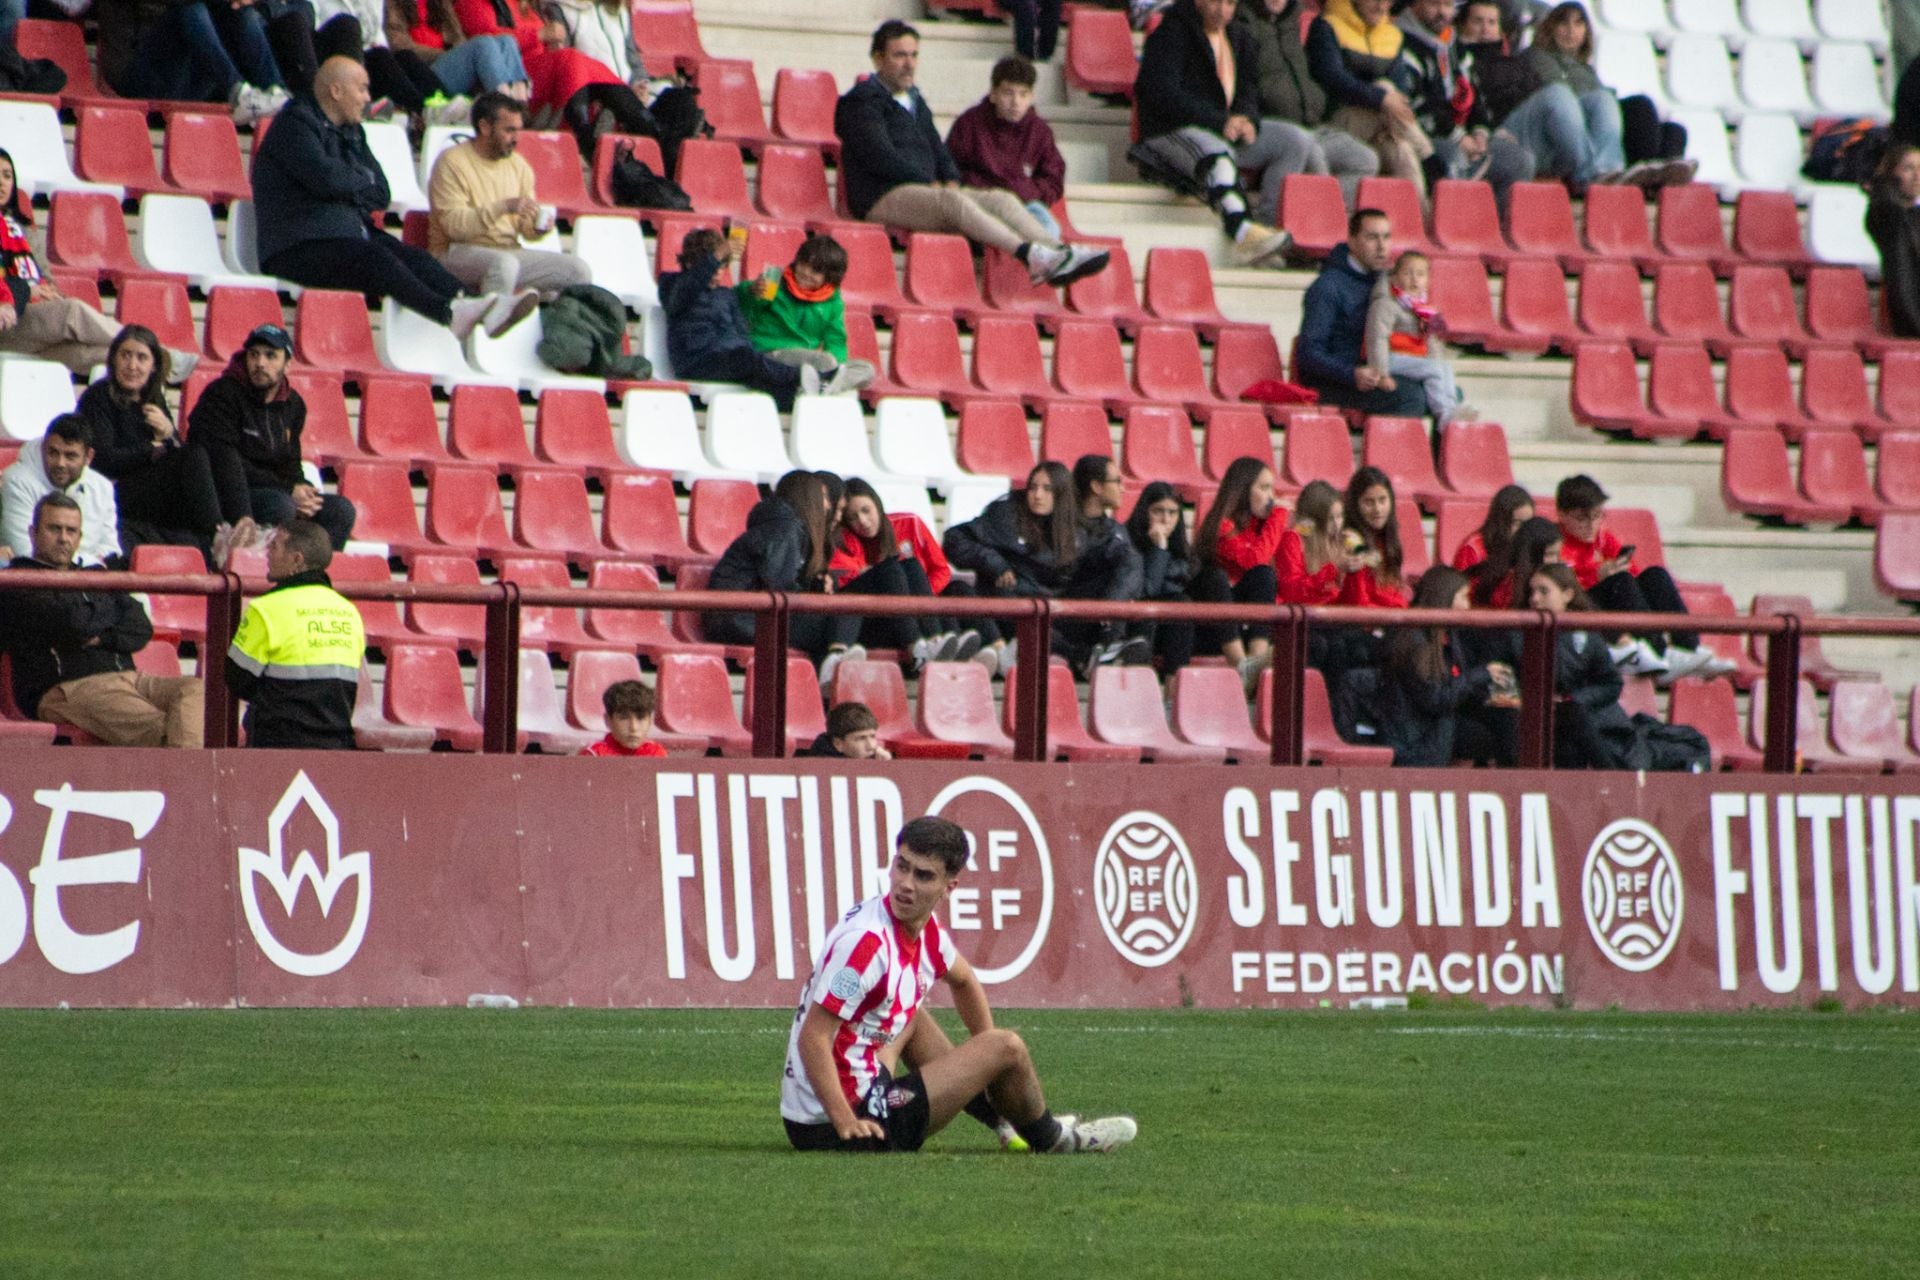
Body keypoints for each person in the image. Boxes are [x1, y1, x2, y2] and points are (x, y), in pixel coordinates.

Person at [781, 813, 1136, 1155]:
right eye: (902, 866)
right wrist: (844, 1121)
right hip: (839, 1121)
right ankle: (1055, 1139)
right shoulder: (867, 943)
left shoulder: (924, 931)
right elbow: (813, 1036)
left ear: (948, 887)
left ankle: (1005, 1119)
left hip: (857, 1090)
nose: (905, 884)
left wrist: (991, 1072)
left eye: (923, 875)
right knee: (1007, 1047)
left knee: (913, 1017)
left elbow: (964, 980)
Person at [838, 21, 1110, 287]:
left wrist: (951, 177)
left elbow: (938, 148)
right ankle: (1030, 255)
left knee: (1001, 199)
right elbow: (880, 156)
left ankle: (1060, 252)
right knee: (953, 201)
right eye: (899, 55)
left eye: (914, 55)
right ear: (878, 59)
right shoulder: (861, 101)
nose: (909, 64)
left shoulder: (915, 100)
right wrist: (928, 181)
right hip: (881, 195)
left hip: (923, 192)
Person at [253, 56, 508, 338]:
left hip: (346, 235)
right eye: (362, 89)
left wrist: (347, 184)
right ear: (336, 91)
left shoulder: (353, 132)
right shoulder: (294, 125)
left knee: (415, 258)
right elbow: (327, 180)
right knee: (375, 257)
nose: (368, 98)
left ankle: (476, 306)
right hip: (296, 247)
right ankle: (448, 313)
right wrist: (357, 181)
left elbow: (381, 192)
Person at [1, 493, 205, 747]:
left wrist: (101, 637)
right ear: (33, 533)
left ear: (80, 537)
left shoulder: (96, 575)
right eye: (54, 529)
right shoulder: (17, 580)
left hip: (131, 679)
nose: (63, 538)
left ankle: (186, 767)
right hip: (69, 687)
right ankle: (192, 772)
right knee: (167, 729)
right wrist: (110, 612)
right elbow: (71, 624)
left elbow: (140, 626)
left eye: (71, 531)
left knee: (198, 692)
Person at [1130, 0, 1303, 267]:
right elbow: (1162, 93)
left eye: (1230, 3)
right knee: (1216, 154)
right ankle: (1242, 230)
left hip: (1223, 130)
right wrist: (1218, 121)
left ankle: (1266, 231)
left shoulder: (1240, 37)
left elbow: (1248, 91)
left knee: (1294, 141)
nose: (1222, 10)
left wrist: (1248, 120)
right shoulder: (1171, 33)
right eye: (1215, 1)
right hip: (1171, 131)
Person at [0, 151, 199, 378]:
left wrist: (49, 291)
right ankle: (152, 350)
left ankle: (156, 365)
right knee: (72, 311)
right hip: (8, 322)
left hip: (37, 323)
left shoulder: (25, 231)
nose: (2, 182)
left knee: (90, 354)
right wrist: (29, 290)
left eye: (7, 175)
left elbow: (45, 277)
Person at [190, 323, 358, 550]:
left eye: (270, 356)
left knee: (340, 510)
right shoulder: (222, 394)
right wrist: (289, 490)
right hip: (230, 492)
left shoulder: (293, 404)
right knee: (282, 506)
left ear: (287, 364)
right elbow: (225, 463)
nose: (260, 363)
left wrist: (302, 489)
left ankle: (311, 568)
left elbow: (290, 463)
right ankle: (267, 566)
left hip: (276, 490)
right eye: (254, 355)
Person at [78, 324, 235, 565]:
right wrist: (152, 450)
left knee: (208, 455)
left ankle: (220, 535)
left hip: (150, 489)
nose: (132, 365)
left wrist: (169, 432)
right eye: (125, 355)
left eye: (141, 358)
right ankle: (219, 536)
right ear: (114, 359)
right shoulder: (98, 397)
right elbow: (103, 459)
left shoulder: (153, 398)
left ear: (153, 366)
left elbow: (174, 450)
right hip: (114, 490)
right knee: (193, 455)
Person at [1553, 474, 1732, 684]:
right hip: (1584, 607)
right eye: (1582, 519)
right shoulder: (1556, 541)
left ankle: (1689, 647)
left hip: (1612, 601)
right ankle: (1658, 652)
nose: (1591, 525)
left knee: (1656, 576)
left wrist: (1620, 568)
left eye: (1598, 516)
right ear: (1561, 514)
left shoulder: (1602, 537)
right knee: (1620, 582)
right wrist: (1597, 576)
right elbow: (1561, 586)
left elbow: (1635, 575)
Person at [660, 230, 857, 410]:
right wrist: (717, 256)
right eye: (713, 265)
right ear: (690, 264)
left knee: (753, 363)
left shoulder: (726, 294)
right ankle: (813, 379)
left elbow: (742, 331)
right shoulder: (671, 285)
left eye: (722, 266)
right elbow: (685, 291)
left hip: (733, 359)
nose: (718, 272)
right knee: (748, 359)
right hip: (698, 360)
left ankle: (813, 387)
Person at [704, 471, 868, 687]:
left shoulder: (787, 527)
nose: (828, 506)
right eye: (824, 498)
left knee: (840, 613)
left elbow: (780, 580)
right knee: (845, 608)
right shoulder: (785, 528)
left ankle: (830, 669)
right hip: (738, 619)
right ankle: (833, 661)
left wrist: (814, 585)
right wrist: (812, 597)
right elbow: (781, 586)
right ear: (807, 497)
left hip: (743, 616)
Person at [428, 91, 590, 304]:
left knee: (577, 270)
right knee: (505, 264)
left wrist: (537, 227)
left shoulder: (519, 165)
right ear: (485, 127)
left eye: (518, 130)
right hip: (454, 252)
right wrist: (503, 207)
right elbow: (455, 227)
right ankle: (489, 322)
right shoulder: (451, 162)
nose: (516, 138)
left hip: (508, 252)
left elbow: (525, 228)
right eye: (509, 130)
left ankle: (561, 324)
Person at [450, 0, 661, 156]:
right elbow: (486, 44)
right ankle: (588, 133)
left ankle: (643, 125)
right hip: (514, 78)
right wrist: (539, 36)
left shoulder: (526, 5)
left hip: (541, 73)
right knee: (572, 59)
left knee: (585, 64)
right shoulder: (474, 2)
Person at [225, 518, 365, 749]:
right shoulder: (349, 611)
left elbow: (237, 679)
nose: (267, 554)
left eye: (274, 547)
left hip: (277, 745)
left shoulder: (265, 609)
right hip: (336, 745)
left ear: (297, 560)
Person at [1229, 0, 1381, 205]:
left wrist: (1317, 101)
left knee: (1366, 160)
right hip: (1274, 128)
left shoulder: (1291, 22)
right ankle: (1313, 215)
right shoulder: (1240, 25)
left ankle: (1310, 206)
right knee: (1314, 156)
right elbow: (1244, 89)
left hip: (1311, 124)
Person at [829, 477, 987, 673]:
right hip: (873, 620)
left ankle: (942, 643)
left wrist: (922, 594)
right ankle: (925, 647)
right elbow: (851, 578)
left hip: (911, 609)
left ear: (877, 504)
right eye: (852, 517)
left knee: (921, 571)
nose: (862, 521)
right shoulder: (844, 540)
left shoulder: (909, 522)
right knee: (895, 569)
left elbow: (941, 569)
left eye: (866, 510)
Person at [1524, 3, 1690, 186]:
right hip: (1572, 126)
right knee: (1638, 107)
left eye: (1578, 24)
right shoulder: (1538, 56)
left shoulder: (1585, 67)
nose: (1571, 31)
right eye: (1564, 23)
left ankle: (1659, 178)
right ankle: (1608, 171)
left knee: (1674, 131)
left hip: (1597, 123)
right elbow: (1560, 96)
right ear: (1550, 28)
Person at [1388, 0, 1532, 206]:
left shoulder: (1452, 41)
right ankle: (1454, 224)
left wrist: (1480, 133)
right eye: (1434, 4)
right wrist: (1458, 137)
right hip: (1424, 138)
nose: (1442, 12)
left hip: (1463, 135)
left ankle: (1490, 224)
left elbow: (1474, 93)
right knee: (1455, 159)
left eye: (1448, 5)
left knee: (1519, 161)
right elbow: (1416, 105)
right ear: (1415, 4)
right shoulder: (1400, 39)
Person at [942, 461, 1079, 676]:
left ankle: (1089, 657)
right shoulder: (1006, 514)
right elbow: (955, 539)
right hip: (1004, 606)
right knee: (960, 589)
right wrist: (994, 563)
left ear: (1062, 494)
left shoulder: (1077, 530)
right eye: (1033, 487)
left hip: (1048, 614)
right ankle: (1000, 650)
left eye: (1047, 489)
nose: (1038, 495)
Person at [1363, 565, 1505, 767]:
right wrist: (1478, 676)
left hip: (1434, 727)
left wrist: (1491, 688)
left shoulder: (1448, 635)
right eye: (1463, 597)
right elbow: (1435, 699)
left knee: (1503, 724)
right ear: (1444, 597)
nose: (1467, 606)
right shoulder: (1414, 640)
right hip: (1413, 738)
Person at [1296, 209, 1430, 416]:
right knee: (1410, 396)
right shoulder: (1328, 286)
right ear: (1352, 241)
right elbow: (1308, 353)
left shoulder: (1388, 283)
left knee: (1444, 393)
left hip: (1378, 370)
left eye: (1386, 237)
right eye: (1372, 238)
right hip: (1334, 383)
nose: (1381, 246)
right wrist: (1351, 374)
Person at [1306, 0, 1434, 196]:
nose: (1381, 6)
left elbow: (1400, 92)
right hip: (1336, 122)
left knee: (1403, 152)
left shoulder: (1392, 35)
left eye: (1387, 1)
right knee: (1385, 89)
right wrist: (1380, 98)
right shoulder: (1327, 26)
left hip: (1383, 125)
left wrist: (1384, 102)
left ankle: (1419, 215)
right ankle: (1428, 155)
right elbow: (1332, 78)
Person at [94, 0, 293, 125]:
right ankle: (238, 93)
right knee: (189, 8)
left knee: (240, 10)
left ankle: (276, 93)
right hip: (135, 75)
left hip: (186, 76)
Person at [946, 57, 1069, 242]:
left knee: (1049, 228)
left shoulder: (1040, 131)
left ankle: (1050, 257)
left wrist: (1028, 190)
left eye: (1023, 94)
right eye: (1008, 93)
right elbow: (950, 170)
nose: (1015, 102)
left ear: (1032, 96)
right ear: (993, 94)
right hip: (980, 205)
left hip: (1026, 206)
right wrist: (988, 187)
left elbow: (1053, 178)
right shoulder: (969, 123)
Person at [1528, 561, 1634, 770]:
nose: (1535, 599)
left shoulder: (1587, 635)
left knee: (1572, 724)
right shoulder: (1518, 633)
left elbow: (1611, 683)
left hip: (1572, 716)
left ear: (1567, 595)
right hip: (1531, 715)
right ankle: (1612, 776)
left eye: (1544, 591)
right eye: (1531, 592)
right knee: (1573, 719)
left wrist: (1576, 699)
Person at [737, 233, 875, 394]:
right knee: (824, 361)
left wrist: (837, 365)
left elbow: (836, 341)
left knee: (866, 369)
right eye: (803, 264)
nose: (806, 272)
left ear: (830, 277)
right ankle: (825, 385)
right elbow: (745, 306)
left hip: (809, 361)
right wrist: (751, 291)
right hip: (770, 354)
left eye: (816, 271)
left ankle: (824, 386)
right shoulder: (773, 279)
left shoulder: (833, 302)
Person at [1189, 456, 1282, 684]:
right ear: (1243, 490)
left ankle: (1256, 663)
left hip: (1246, 627)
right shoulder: (1223, 525)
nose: (1271, 497)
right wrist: (1278, 518)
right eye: (1264, 488)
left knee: (1265, 575)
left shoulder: (1263, 528)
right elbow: (1253, 560)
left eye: (1272, 488)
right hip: (1211, 630)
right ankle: (1242, 667)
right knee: (1216, 577)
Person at [1058, 454, 1149, 675]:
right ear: (1097, 487)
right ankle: (1107, 644)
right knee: (1127, 563)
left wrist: (1159, 551)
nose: (1123, 489)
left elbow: (1141, 581)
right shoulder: (1064, 524)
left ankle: (1108, 648)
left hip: (1100, 613)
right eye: (1117, 481)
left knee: (1150, 610)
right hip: (1068, 611)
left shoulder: (1116, 529)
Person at [312, 0, 472, 123]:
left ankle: (444, 105)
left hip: (368, 61)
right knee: (377, 53)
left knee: (405, 57)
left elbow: (377, 33)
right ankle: (423, 111)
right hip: (335, 66)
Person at [1365, 250, 1474, 428]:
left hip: (1414, 360)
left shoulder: (1426, 310)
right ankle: (1445, 416)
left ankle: (1452, 411)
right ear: (1395, 278)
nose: (1414, 279)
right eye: (1407, 273)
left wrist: (1435, 362)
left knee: (1443, 367)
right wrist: (1382, 373)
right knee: (1434, 369)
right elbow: (1377, 339)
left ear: (1428, 280)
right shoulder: (1385, 304)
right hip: (1391, 358)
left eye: (1420, 274)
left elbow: (1432, 345)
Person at [0, 416, 120, 568]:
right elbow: (25, 552)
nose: (60, 463)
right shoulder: (16, 481)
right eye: (53, 453)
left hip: (89, 578)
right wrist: (91, 562)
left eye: (70, 456)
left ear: (88, 457)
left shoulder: (103, 487)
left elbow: (111, 551)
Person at [385, 0, 532, 101]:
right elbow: (398, 45)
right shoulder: (394, 4)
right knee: (482, 43)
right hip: (423, 71)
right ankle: (503, 107)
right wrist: (447, 55)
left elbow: (458, 40)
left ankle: (520, 102)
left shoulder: (440, 3)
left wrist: (460, 55)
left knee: (506, 41)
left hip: (448, 65)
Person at [1122, 481, 1196, 676]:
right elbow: (1147, 591)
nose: (1165, 519)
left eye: (1172, 513)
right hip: (1135, 628)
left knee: (1183, 604)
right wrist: (1159, 549)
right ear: (1144, 512)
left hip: (1173, 629)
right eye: (1158, 511)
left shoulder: (1181, 549)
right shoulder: (1126, 541)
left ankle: (1174, 689)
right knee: (1175, 605)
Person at [1867, 144, 1920, 338]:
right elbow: (1885, 208)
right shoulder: (1887, 216)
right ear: (1892, 175)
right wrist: (1884, 182)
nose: (1917, 176)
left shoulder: (1915, 216)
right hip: (1910, 318)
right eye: (1908, 169)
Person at [1450, 482, 1533, 604]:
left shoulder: (1529, 550)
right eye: (1516, 523)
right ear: (1500, 521)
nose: (1523, 530)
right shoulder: (1473, 549)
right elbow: (1459, 596)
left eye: (1528, 524)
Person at [1338, 466, 1408, 608]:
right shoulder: (1349, 540)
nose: (1377, 509)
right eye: (1369, 502)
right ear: (1355, 505)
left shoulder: (1388, 540)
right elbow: (1357, 601)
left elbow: (1391, 592)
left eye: (1383, 500)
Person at [580, 678, 666, 757]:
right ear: (608, 720)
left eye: (640, 718)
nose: (633, 727)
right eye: (624, 718)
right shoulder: (594, 754)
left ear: (650, 721)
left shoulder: (655, 753)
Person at [796, 700, 893, 760]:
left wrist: (886, 767)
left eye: (872, 736)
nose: (871, 746)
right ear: (838, 744)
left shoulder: (875, 757)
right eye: (861, 738)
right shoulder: (822, 767)